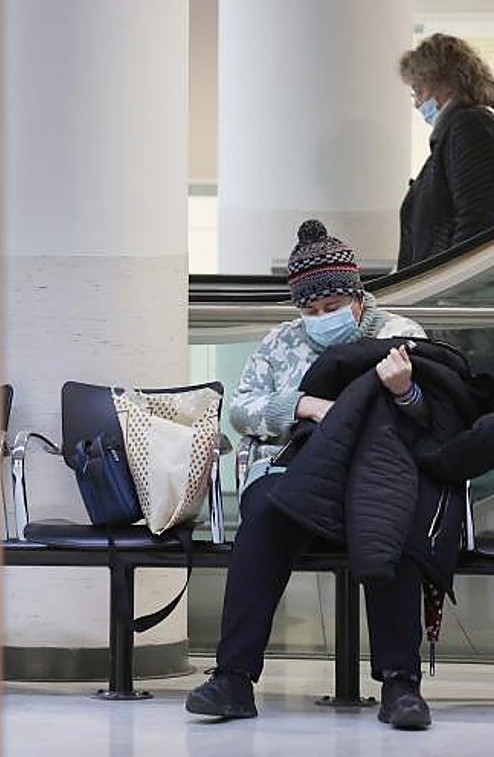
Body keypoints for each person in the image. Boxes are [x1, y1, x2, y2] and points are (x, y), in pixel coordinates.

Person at [186, 220, 434, 728]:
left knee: (392, 519)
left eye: (331, 308)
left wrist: (406, 390)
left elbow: (436, 416)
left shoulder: (402, 337)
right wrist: (302, 405)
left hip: (376, 474)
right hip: (293, 469)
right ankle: (233, 677)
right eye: (310, 310)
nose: (321, 318)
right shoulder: (281, 343)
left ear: (357, 297)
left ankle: (400, 684)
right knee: (266, 515)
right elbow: (243, 409)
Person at [397, 32, 494, 390]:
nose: (416, 102)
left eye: (418, 89)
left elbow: (477, 223)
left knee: (472, 425)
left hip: (471, 321)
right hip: (474, 316)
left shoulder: (469, 125)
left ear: (440, 83)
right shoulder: (476, 124)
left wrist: (448, 297)